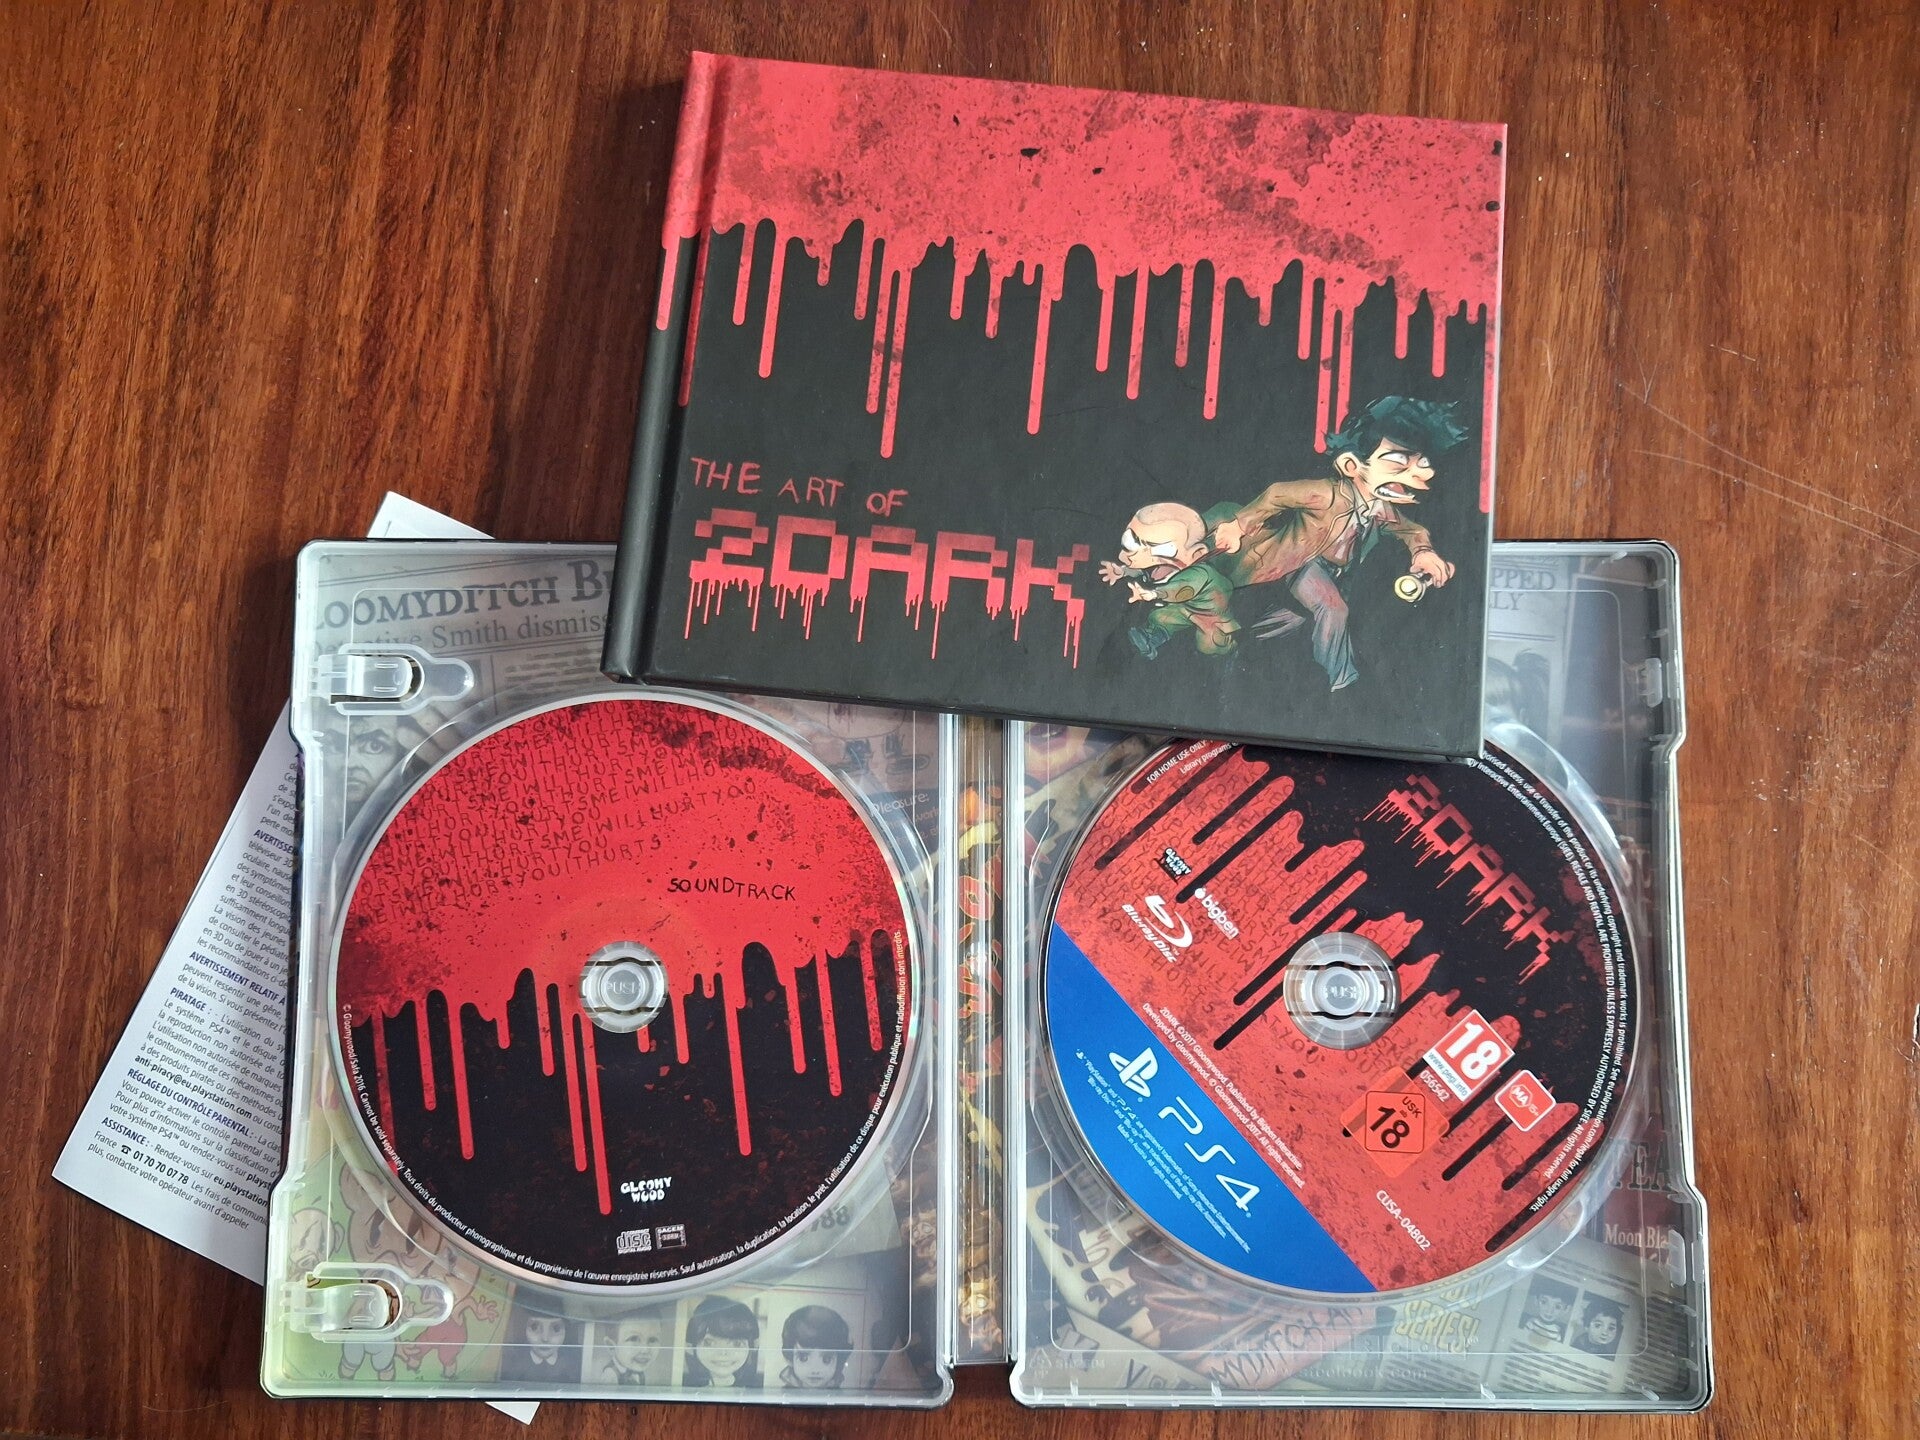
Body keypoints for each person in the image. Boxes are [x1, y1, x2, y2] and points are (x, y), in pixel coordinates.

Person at [1209, 395, 1468, 690]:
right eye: (1397, 462)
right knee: (1333, 609)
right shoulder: (1326, 494)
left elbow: (1411, 530)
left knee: (1293, 619)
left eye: (1422, 462)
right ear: (1350, 465)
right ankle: (1344, 683)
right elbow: (1277, 494)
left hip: (1332, 574)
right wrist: (1238, 526)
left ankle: (1239, 645)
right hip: (1301, 562)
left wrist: (1423, 552)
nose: (1423, 474)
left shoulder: (1380, 509)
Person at [1098, 502, 1240, 659]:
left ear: (1196, 553)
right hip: (1185, 607)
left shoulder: (1201, 574)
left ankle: (1232, 648)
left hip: (1210, 614)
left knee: (1210, 644)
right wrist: (1123, 571)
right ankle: (1152, 639)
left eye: (1161, 548)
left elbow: (1182, 590)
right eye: (1130, 542)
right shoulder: (1162, 566)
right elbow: (1144, 569)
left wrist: (1155, 594)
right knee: (1160, 617)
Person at [681, 1296, 763, 1389]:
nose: (723, 1353)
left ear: (754, 1346)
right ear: (690, 1347)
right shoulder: (683, 1386)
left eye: (736, 1344)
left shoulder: (759, 1389)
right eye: (708, 1343)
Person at [498, 1297, 578, 1383]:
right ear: (523, 1328)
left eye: (556, 1328)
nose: (545, 1338)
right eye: (534, 1327)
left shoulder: (574, 1364)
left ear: (567, 1330)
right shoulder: (512, 1363)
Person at [778, 1305, 854, 1390]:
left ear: (839, 1360)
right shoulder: (785, 1394)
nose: (815, 1370)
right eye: (803, 1358)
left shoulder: (839, 1394)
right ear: (790, 1359)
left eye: (827, 1359)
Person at [599, 1307, 670, 1386]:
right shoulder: (611, 1375)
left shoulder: (638, 1372)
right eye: (633, 1339)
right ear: (611, 1346)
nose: (645, 1350)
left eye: (652, 1340)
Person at [1517, 1277, 1576, 1342]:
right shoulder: (1531, 1323)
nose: (1549, 1311)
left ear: (1566, 1309)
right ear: (1536, 1301)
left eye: (1557, 1307)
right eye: (1544, 1302)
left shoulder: (1558, 1331)